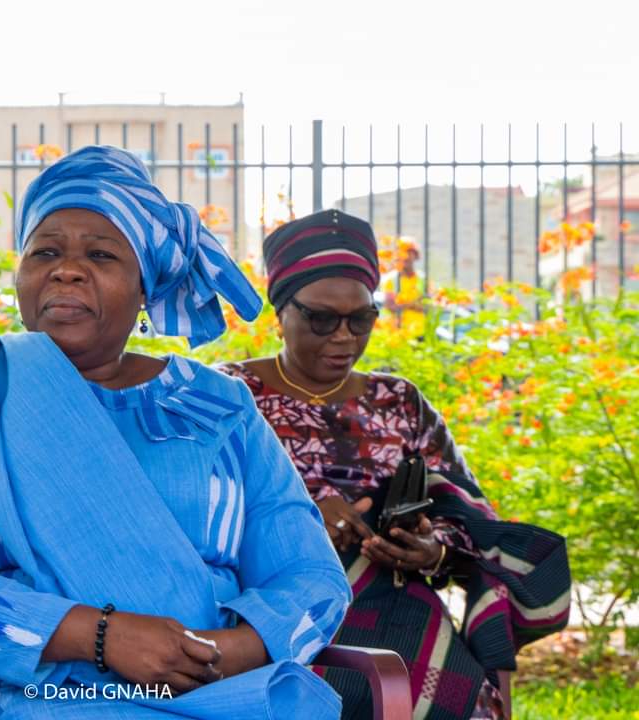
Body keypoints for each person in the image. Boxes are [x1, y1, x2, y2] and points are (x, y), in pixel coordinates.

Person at [0, 146, 351, 720]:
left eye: (101, 255)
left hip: (219, 692)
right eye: (44, 251)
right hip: (42, 697)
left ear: (144, 288)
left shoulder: (218, 405)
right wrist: (99, 636)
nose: (66, 269)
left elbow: (311, 577)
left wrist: (224, 652)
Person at [217, 210, 571, 720]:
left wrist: (429, 550)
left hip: (398, 611)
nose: (344, 337)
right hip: (275, 614)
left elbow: (468, 516)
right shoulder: (232, 396)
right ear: (280, 312)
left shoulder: (399, 402)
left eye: (361, 319)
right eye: (321, 318)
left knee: (459, 703)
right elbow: (195, 517)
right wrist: (300, 518)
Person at [380, 238, 426, 336]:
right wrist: (413, 304)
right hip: (395, 332)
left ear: (416, 255)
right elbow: (390, 306)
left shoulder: (423, 279)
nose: (405, 256)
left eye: (409, 252)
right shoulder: (390, 279)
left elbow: (428, 305)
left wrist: (403, 304)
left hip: (419, 332)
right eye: (402, 252)